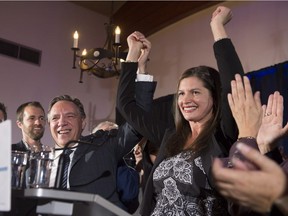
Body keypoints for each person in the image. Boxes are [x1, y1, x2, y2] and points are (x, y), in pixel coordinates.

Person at [116, 6, 244, 215]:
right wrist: (133, 54)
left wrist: (217, 27)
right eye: (181, 94)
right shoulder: (169, 136)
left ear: (214, 97)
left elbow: (233, 84)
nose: (186, 100)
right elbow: (126, 105)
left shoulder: (222, 135)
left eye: (195, 92)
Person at [47, 95, 142, 210]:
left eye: (70, 116)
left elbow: (136, 126)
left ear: (82, 122)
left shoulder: (102, 147)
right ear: (49, 124)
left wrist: (141, 82)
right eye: (55, 118)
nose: (62, 122)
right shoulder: (38, 163)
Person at [91, 120, 140, 214]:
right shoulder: (84, 164)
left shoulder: (127, 170)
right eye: (102, 135)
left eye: (112, 136)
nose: (106, 140)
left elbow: (129, 196)